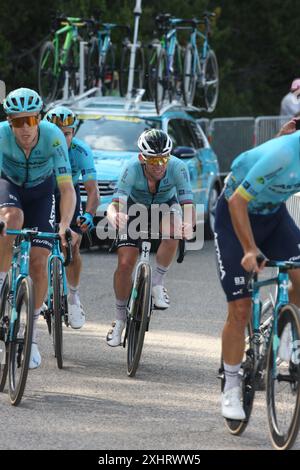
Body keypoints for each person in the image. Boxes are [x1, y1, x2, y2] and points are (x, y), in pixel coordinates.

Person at [214, 128, 300, 420]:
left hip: (273, 217)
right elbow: (237, 201)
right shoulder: (285, 153)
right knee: (240, 309)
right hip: (234, 214)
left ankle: (288, 341)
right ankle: (231, 384)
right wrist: (250, 248)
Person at [0, 88, 76, 369]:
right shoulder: (1, 135)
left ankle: (30, 335)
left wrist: (65, 225)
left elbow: (66, 188)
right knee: (11, 218)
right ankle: (0, 283)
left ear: (39, 119)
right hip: (9, 186)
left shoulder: (54, 137)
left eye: (30, 121)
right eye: (17, 122)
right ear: (10, 123)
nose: (24, 129)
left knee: (39, 259)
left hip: (43, 193)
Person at [105, 129, 195, 347]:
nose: (159, 165)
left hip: (166, 206)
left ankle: (157, 283)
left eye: (163, 158)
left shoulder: (178, 168)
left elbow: (188, 205)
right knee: (126, 263)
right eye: (153, 160)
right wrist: (114, 216)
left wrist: (189, 225)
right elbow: (115, 203)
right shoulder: (131, 169)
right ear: (141, 158)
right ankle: (119, 319)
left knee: (174, 230)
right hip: (135, 209)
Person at [44, 106, 100, 329]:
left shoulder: (81, 151)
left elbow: (93, 191)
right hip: (45, 191)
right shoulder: (40, 147)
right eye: (56, 131)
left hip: (69, 191)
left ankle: (74, 297)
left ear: (73, 133)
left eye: (66, 133)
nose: (61, 137)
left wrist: (88, 214)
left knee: (73, 243)